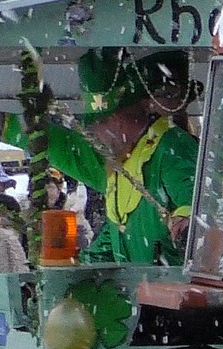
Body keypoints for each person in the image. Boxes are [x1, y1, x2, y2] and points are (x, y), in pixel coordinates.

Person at [32, 48, 197, 265]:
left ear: (117, 120)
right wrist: (81, 269)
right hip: (143, 292)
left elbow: (196, 198)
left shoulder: (171, 145)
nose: (95, 136)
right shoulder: (121, 165)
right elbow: (114, 238)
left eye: (98, 125)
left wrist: (185, 218)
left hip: (173, 291)